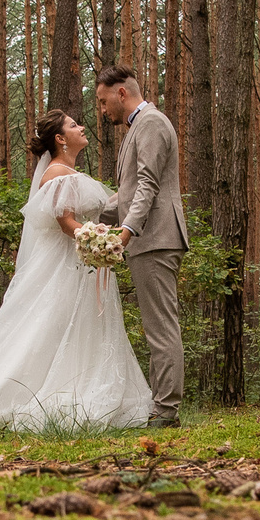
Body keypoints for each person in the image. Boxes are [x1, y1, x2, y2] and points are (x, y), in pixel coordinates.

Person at [0, 110, 155, 431]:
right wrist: (102, 239)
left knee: (75, 330)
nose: (81, 128)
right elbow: (67, 223)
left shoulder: (68, 173)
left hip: (81, 267)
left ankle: (78, 386)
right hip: (68, 268)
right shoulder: (58, 175)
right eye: (73, 125)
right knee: (50, 330)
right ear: (59, 138)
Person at [95, 67, 187, 428]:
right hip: (150, 239)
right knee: (156, 326)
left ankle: (165, 413)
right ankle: (160, 406)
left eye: (103, 102)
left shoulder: (150, 123)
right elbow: (132, 189)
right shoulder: (140, 126)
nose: (103, 110)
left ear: (121, 94)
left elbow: (148, 184)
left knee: (161, 326)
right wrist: (96, 216)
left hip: (156, 238)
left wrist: (126, 232)